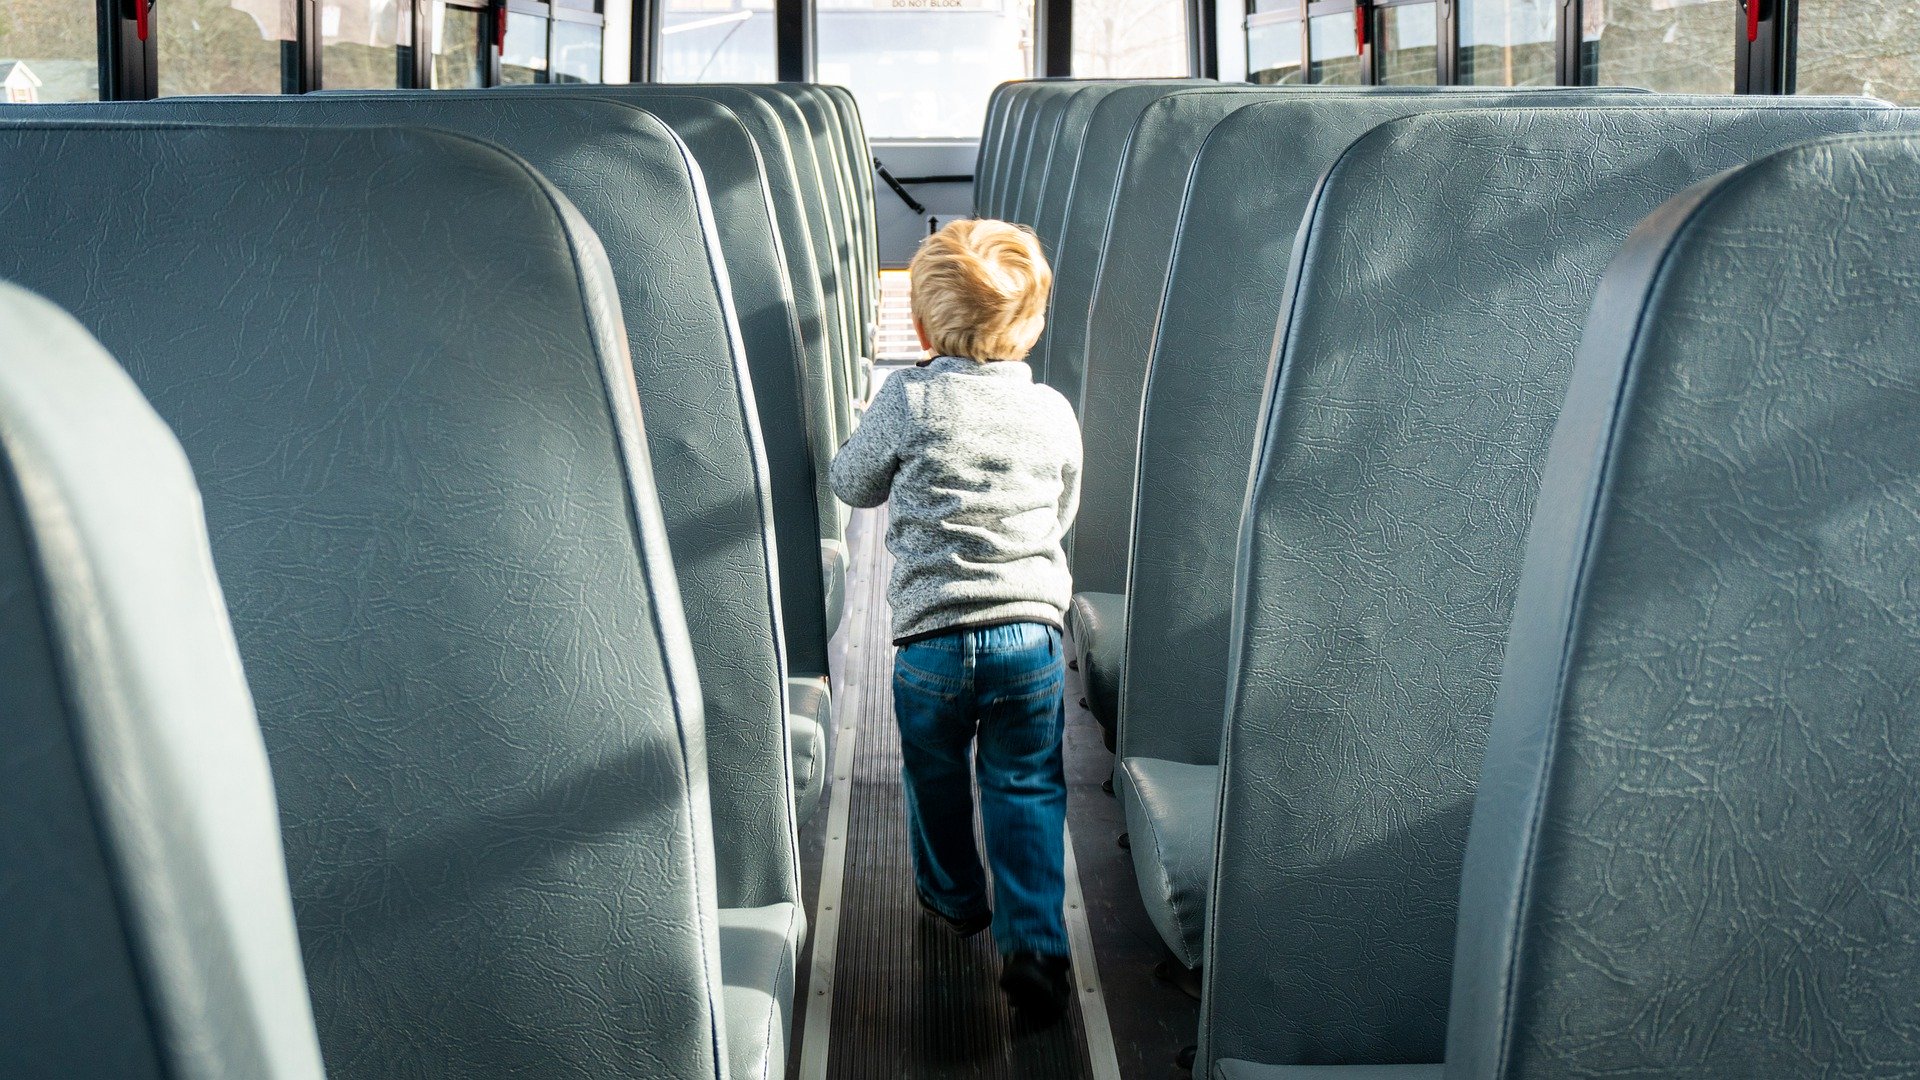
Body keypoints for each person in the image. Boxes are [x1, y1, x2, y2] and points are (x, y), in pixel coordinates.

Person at [829, 218, 1082, 1021]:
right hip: (1029, 638)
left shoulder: (910, 397)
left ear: (923, 326)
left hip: (930, 645)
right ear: (1034, 322)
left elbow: (852, 483)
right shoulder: (1051, 410)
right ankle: (1036, 942)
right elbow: (1061, 508)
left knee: (933, 775)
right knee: (1026, 782)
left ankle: (953, 897)